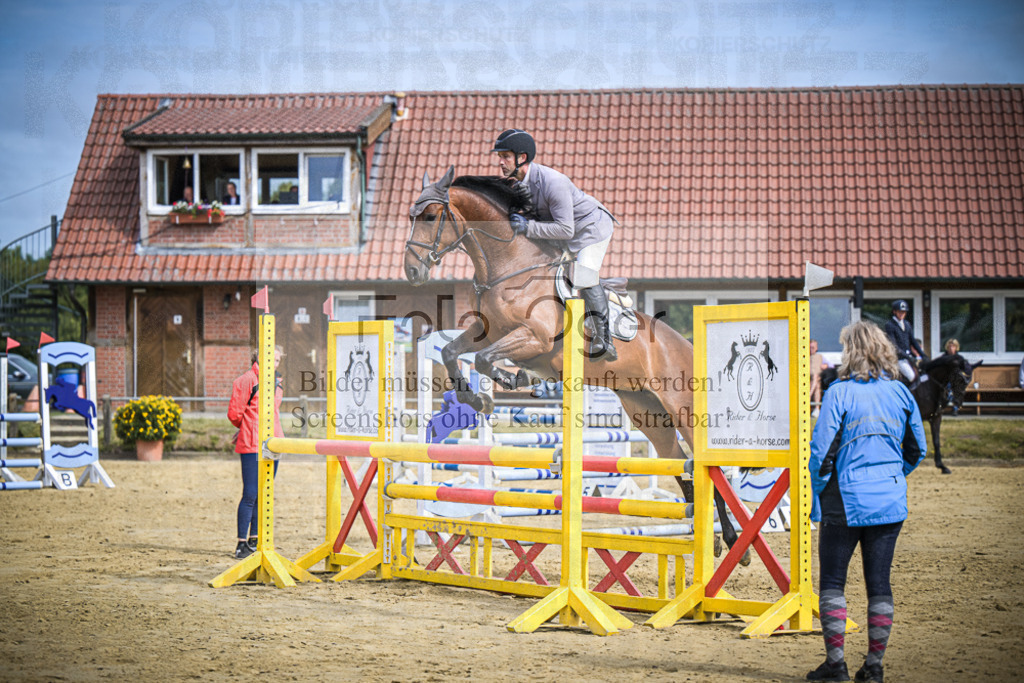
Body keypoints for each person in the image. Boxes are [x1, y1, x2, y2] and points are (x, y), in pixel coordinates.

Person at [806, 321, 927, 683]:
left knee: (832, 583)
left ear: (851, 353)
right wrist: (890, 476)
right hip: (890, 500)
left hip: (844, 501)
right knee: (879, 585)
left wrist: (819, 494)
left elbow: (820, 454)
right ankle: (874, 668)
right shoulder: (901, 393)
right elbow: (917, 449)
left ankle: (836, 665)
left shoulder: (840, 392)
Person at [492, 129, 619, 361]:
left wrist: (527, 227)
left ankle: (604, 338)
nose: (500, 162)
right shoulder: (517, 184)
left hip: (591, 229)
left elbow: (565, 229)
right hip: (562, 233)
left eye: (506, 156)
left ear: (522, 158)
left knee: (584, 274)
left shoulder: (553, 182)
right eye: (499, 156)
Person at [227, 346, 284, 559]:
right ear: (259, 358)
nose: (275, 363)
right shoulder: (246, 380)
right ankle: (241, 543)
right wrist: (245, 429)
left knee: (265, 493)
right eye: (272, 359)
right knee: (250, 493)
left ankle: (255, 537)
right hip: (252, 443)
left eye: (278, 360)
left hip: (274, 442)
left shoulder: (278, 383)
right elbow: (234, 413)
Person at [883, 299, 926, 386]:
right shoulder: (890, 325)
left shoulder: (907, 324)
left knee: (923, 373)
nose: (902, 314)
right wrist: (908, 357)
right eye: (900, 312)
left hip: (908, 357)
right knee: (912, 376)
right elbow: (894, 346)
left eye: (904, 312)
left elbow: (913, 341)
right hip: (898, 358)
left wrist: (923, 354)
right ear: (894, 312)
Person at [809, 339, 827, 417]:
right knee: (817, 385)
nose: (811, 349)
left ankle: (808, 396)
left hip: (815, 379)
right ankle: (816, 409)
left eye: (813, 348)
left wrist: (824, 366)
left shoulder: (819, 357)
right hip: (806, 379)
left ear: (816, 348)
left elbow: (829, 364)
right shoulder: (804, 356)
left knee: (817, 383)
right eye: (810, 347)